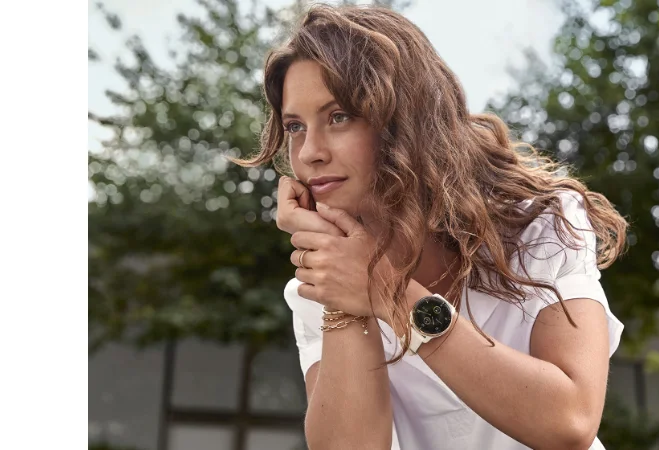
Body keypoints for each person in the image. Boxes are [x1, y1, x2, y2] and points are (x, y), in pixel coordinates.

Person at [232, 4, 628, 449]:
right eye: (295, 127)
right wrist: (347, 295)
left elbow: (570, 422)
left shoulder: (539, 224)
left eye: (338, 117)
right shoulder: (320, 281)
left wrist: (385, 291)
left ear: (404, 119)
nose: (309, 153)